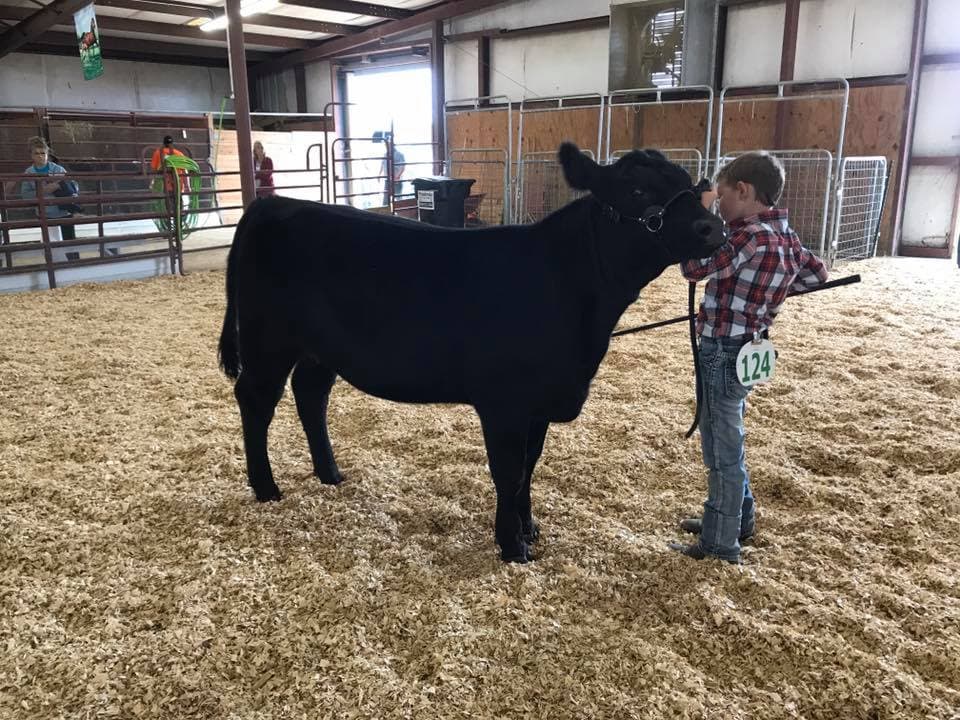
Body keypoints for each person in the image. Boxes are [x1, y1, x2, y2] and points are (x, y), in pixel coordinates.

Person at [670, 151, 828, 564]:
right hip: (749, 347)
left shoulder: (746, 236)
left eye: (721, 196)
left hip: (722, 348)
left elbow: (693, 267)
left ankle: (720, 544)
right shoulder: (786, 237)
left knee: (721, 449)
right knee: (727, 438)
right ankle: (738, 520)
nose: (719, 204)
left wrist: (698, 218)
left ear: (743, 190)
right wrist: (768, 294)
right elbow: (816, 275)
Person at [20, 136, 78, 259]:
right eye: (36, 153)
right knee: (50, 247)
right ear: (31, 155)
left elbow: (74, 187)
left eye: (43, 153)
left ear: (47, 154)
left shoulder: (58, 169)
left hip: (64, 212)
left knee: (70, 244)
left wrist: (60, 186)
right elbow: (25, 195)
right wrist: (44, 190)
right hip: (45, 214)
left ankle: (74, 266)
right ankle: (54, 268)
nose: (40, 156)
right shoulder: (29, 173)